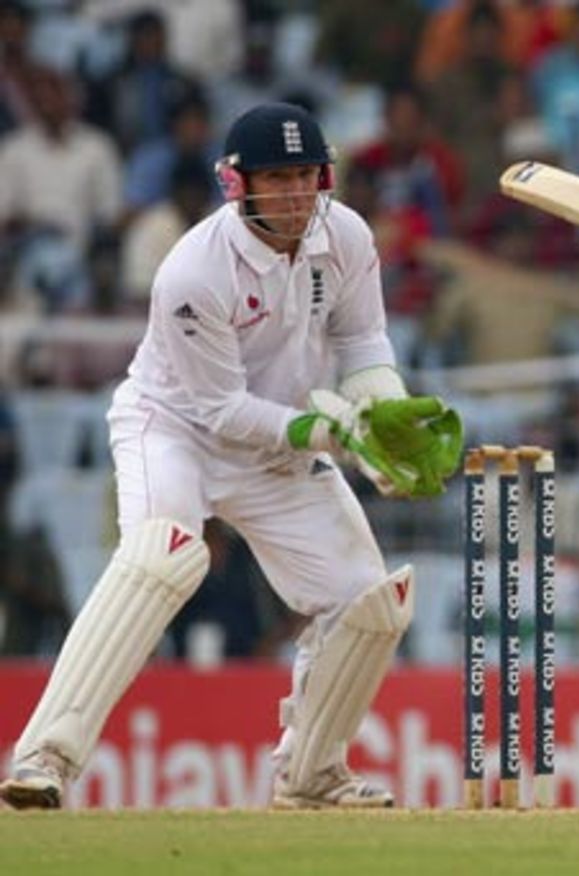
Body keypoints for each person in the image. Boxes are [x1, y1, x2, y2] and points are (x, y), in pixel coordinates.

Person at [0, 102, 462, 810]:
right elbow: (221, 410)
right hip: (175, 427)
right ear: (237, 184)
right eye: (277, 179)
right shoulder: (192, 272)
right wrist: (334, 432)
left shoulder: (345, 235)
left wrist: (382, 409)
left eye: (306, 175)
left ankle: (310, 774)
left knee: (371, 602)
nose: (296, 194)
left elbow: (365, 342)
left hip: (276, 444)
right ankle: (43, 759)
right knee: (165, 554)